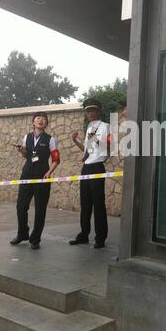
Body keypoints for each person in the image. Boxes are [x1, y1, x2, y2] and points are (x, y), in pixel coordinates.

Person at [10, 112, 60, 250]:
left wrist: (49, 172)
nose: (41, 120)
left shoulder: (51, 139)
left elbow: (56, 159)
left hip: (42, 177)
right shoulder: (27, 137)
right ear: (33, 123)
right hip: (26, 175)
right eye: (38, 118)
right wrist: (21, 151)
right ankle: (22, 234)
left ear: (46, 124)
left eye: (44, 119)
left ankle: (35, 239)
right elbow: (26, 155)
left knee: (40, 209)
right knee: (21, 206)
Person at [69, 98, 110, 248]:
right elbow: (87, 151)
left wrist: (95, 141)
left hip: (97, 167)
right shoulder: (89, 128)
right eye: (88, 111)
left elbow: (106, 148)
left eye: (93, 110)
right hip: (86, 167)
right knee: (85, 204)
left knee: (99, 204)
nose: (90, 113)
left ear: (99, 111)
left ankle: (100, 238)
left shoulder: (105, 126)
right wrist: (76, 141)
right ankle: (83, 235)